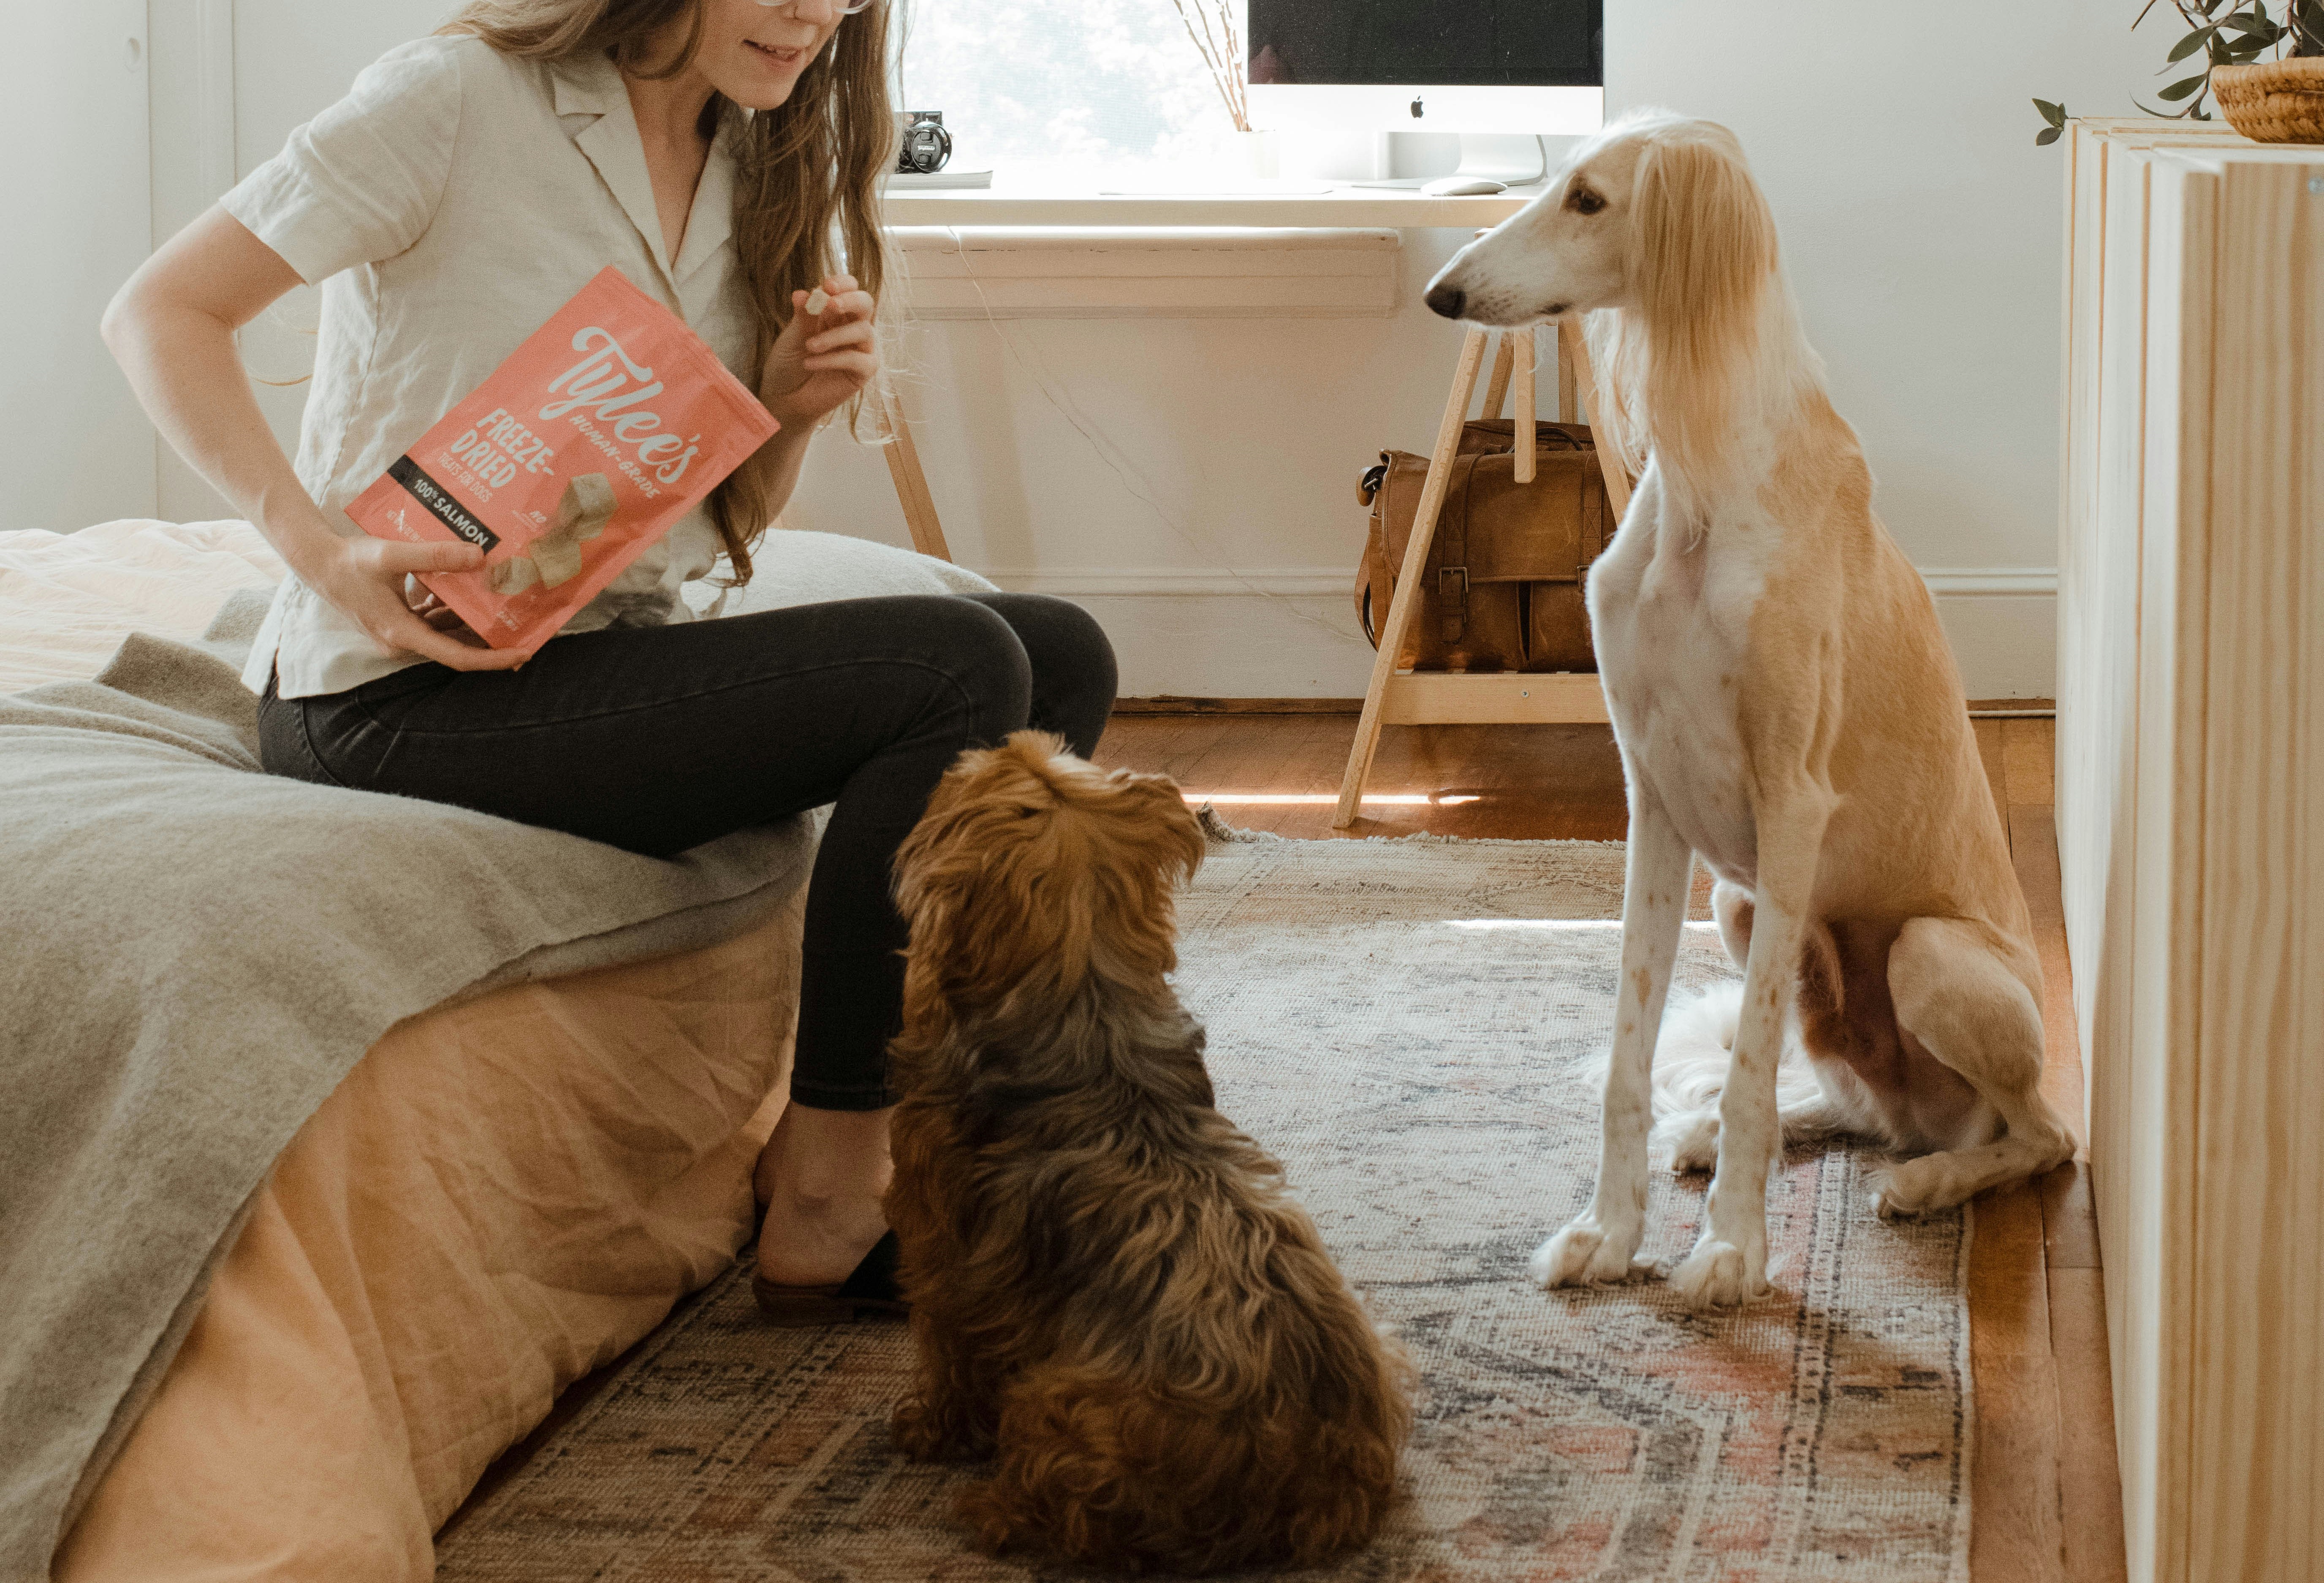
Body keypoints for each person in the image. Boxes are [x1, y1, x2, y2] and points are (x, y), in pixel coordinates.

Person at [101, 0, 1116, 1318]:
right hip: (396, 693)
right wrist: (321, 549)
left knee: (1058, 655)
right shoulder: (456, 99)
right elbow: (160, 310)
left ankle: (920, 1124)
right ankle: (827, 1192)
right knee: (956, 662)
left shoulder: (754, 157)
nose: (820, 13)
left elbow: (702, 526)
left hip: (595, 653)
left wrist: (786, 408)